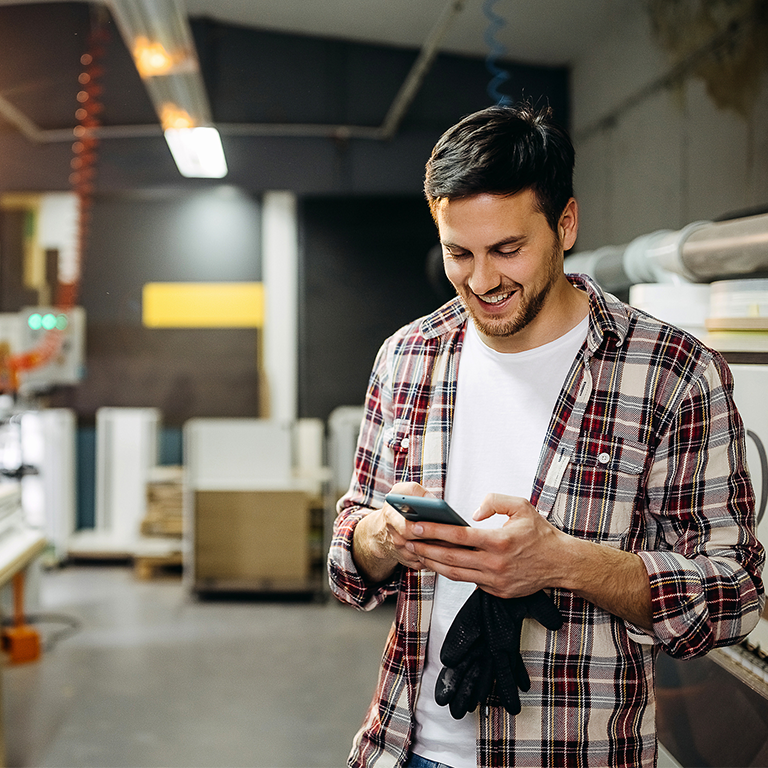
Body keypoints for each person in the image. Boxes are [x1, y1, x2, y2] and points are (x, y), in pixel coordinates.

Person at [327, 103, 765, 768]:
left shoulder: (672, 373)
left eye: (508, 249)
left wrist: (563, 562)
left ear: (565, 224)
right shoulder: (408, 356)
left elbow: (732, 596)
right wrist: (378, 537)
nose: (482, 281)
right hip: (407, 748)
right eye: (458, 253)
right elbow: (348, 565)